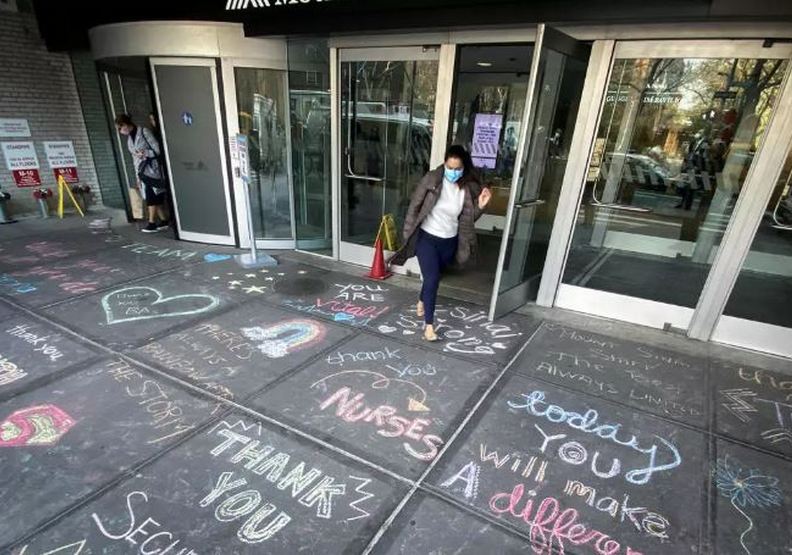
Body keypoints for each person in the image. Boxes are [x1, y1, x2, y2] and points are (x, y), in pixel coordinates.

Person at [389, 145, 492, 342]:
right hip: (426, 238)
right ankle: (429, 326)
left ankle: (422, 299)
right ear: (444, 164)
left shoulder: (467, 187)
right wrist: (408, 234)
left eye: (457, 168)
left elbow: (467, 219)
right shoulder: (432, 180)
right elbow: (414, 207)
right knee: (433, 279)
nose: (452, 172)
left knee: (433, 278)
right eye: (449, 167)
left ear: (464, 167)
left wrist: (481, 206)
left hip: (449, 241)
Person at [115, 114, 169, 233]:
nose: (120, 131)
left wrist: (145, 153)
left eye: (120, 127)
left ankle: (152, 223)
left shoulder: (144, 132)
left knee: (151, 198)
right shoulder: (130, 139)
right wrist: (137, 176)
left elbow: (158, 149)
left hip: (153, 170)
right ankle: (164, 220)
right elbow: (135, 159)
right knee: (154, 198)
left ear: (126, 124)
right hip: (142, 172)